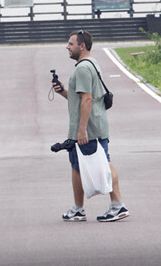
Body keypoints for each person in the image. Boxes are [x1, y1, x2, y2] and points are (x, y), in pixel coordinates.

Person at [51, 29, 129, 222]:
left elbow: (86, 100)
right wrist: (62, 92)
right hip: (93, 125)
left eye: (71, 44)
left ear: (82, 45)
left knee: (104, 164)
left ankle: (118, 205)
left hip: (89, 129)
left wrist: (82, 129)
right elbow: (80, 98)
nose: (67, 47)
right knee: (77, 167)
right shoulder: (91, 64)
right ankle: (78, 209)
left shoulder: (83, 68)